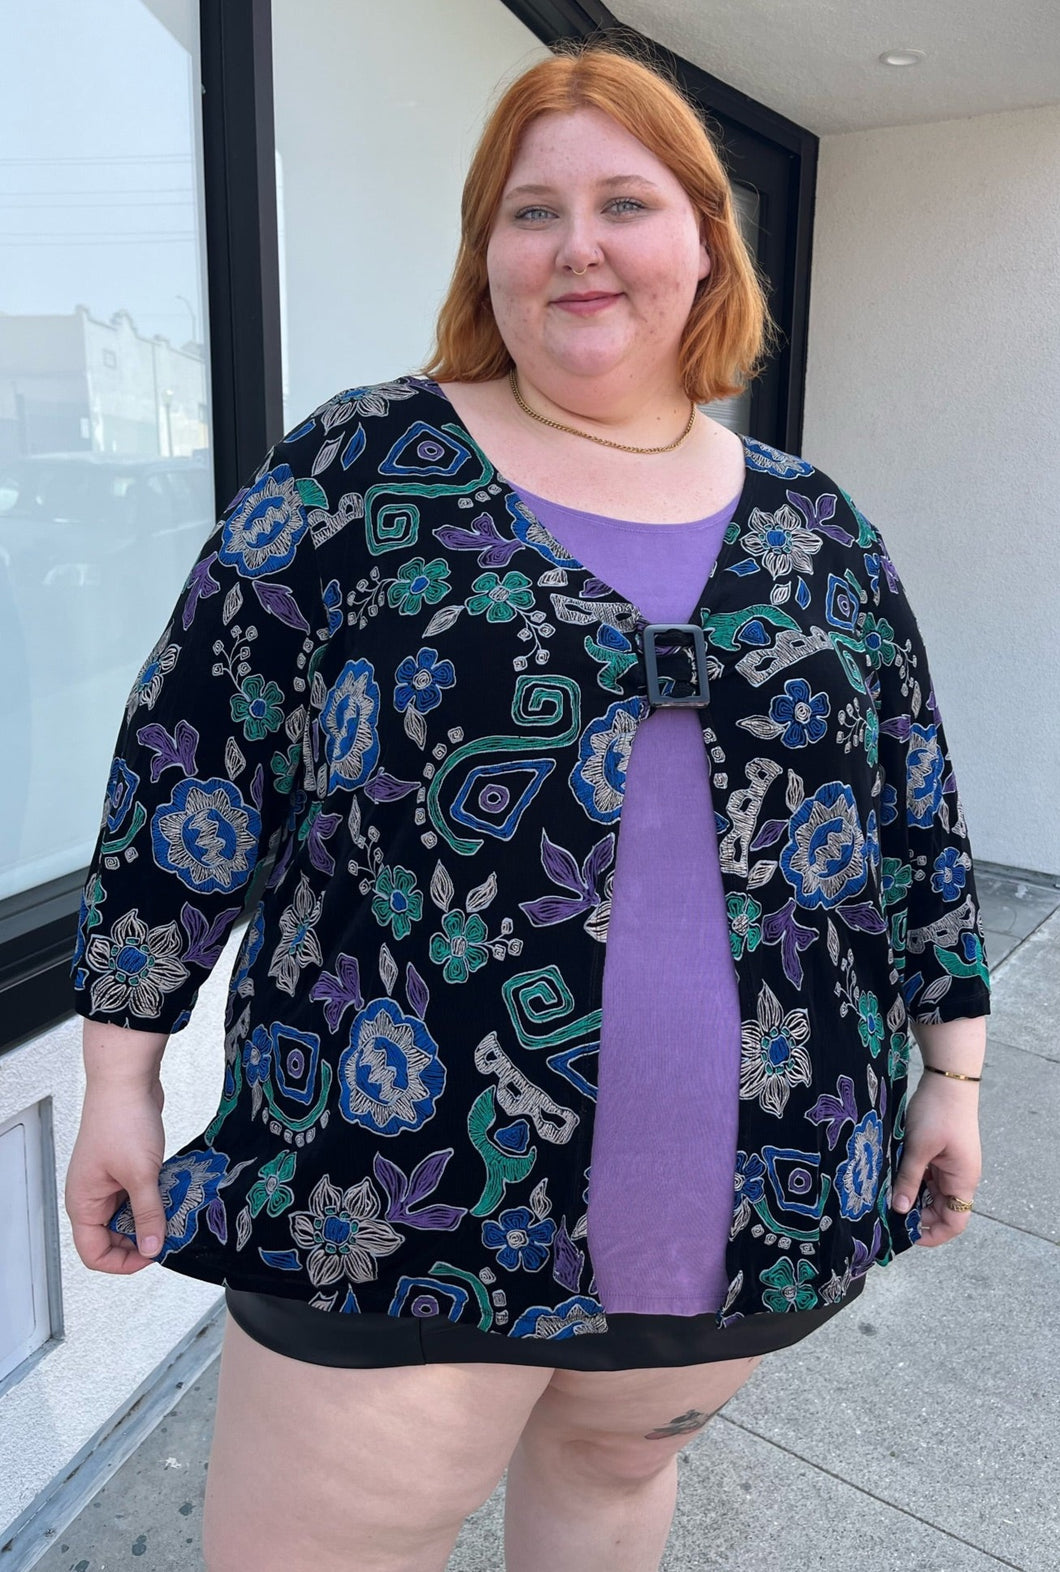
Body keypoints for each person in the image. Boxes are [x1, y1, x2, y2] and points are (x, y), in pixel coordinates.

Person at [64, 42, 990, 1572]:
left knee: (618, 1490)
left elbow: (915, 810)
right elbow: (191, 774)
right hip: (394, 1186)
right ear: (485, 252)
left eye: (625, 202)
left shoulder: (820, 527)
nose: (577, 247)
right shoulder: (363, 470)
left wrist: (951, 1077)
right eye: (528, 210)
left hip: (759, 1188)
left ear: (705, 240)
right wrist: (119, 1077)